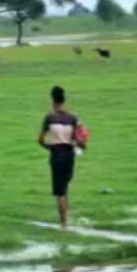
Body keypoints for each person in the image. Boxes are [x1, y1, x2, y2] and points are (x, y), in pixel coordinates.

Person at [38, 86, 84, 229]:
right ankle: (66, 220)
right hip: (70, 154)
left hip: (56, 154)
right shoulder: (73, 117)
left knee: (59, 192)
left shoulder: (49, 117)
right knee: (65, 186)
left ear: (53, 100)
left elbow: (40, 140)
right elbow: (81, 138)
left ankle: (63, 224)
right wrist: (78, 147)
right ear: (64, 100)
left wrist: (50, 148)